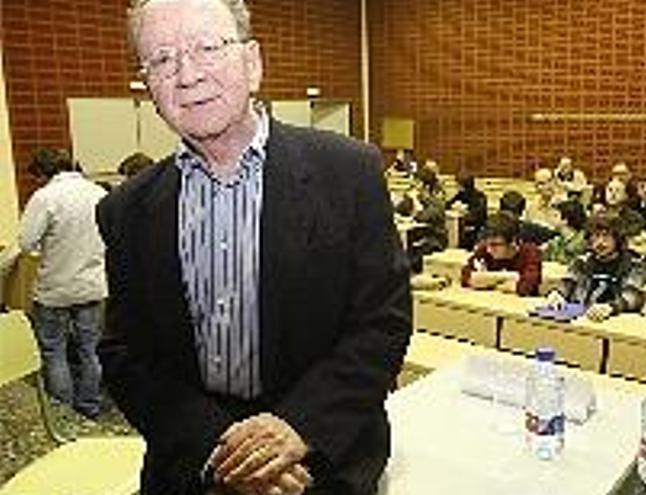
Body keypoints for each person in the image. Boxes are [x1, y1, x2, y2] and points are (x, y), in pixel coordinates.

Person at [98, 1, 412, 494]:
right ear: (148, 85)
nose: (187, 75)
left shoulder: (348, 172)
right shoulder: (126, 210)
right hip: (194, 461)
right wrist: (222, 449)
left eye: (207, 47)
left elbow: (381, 322)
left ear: (253, 62)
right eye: (161, 59)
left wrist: (297, 428)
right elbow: (126, 353)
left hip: (321, 458)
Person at [19, 147, 107, 419]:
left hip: (54, 289)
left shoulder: (45, 197)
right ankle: (90, 406)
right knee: (91, 350)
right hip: (93, 286)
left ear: (44, 173)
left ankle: (63, 411)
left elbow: (26, 243)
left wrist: (44, 249)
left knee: (53, 350)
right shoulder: (98, 193)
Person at [546, 214, 645, 322]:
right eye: (596, 236)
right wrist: (557, 294)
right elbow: (568, 283)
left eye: (606, 236)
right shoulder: (582, 261)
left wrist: (611, 307)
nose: (600, 242)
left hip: (611, 321)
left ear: (617, 239)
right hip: (580, 317)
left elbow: (633, 296)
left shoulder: (633, 264)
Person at [460, 211, 542, 296]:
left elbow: (526, 287)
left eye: (495, 245)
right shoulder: (485, 249)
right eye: (487, 243)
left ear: (512, 242)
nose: (489, 250)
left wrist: (486, 280)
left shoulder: (530, 253)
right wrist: (508, 276)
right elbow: (466, 277)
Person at [446, 169, 488, 250]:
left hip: (476, 229)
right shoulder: (461, 194)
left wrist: (464, 212)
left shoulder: (479, 197)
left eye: (457, 185)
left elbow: (477, 216)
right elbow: (448, 204)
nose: (456, 187)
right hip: (463, 225)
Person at [542, 200, 588, 265]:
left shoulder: (580, 241)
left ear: (565, 220)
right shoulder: (557, 240)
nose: (550, 219)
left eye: (555, 216)